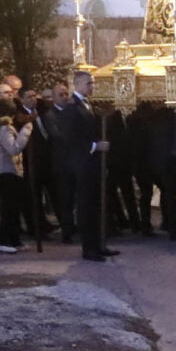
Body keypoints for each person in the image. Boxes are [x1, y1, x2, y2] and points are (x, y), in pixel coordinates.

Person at [41, 70, 116, 260]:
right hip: (81, 163)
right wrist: (94, 146)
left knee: (95, 204)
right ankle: (88, 248)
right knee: (86, 206)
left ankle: (98, 244)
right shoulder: (71, 108)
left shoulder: (86, 105)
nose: (92, 86)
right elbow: (69, 138)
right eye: (88, 83)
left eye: (92, 83)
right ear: (78, 84)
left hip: (92, 163)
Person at [0, 96, 34, 252]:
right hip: (5, 170)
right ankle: (2, 240)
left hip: (5, 170)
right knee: (9, 208)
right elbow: (13, 148)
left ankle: (14, 240)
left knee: (14, 207)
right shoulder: (3, 128)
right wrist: (26, 131)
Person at [132, 90, 176, 240]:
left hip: (143, 165)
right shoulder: (168, 122)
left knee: (146, 196)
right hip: (161, 164)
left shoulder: (139, 122)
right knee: (168, 194)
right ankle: (170, 225)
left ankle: (146, 225)